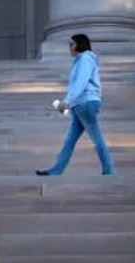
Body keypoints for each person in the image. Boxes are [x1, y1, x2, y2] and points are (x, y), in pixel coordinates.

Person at [36, 34, 116, 176]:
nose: (70, 48)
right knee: (70, 141)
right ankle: (56, 171)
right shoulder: (82, 60)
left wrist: (67, 101)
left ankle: (109, 171)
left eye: (72, 44)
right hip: (80, 104)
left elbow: (81, 82)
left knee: (97, 139)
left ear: (80, 44)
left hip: (85, 103)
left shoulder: (85, 59)